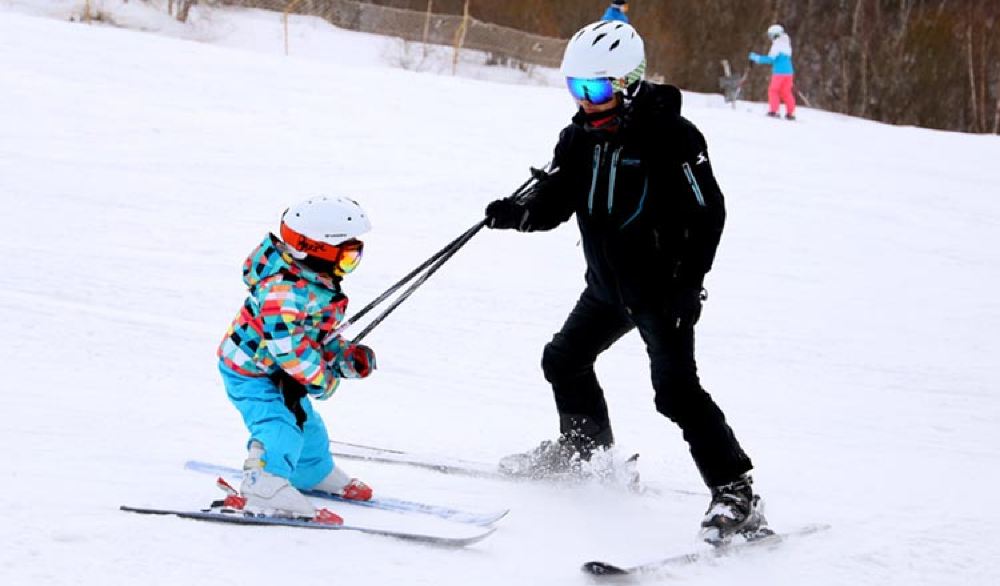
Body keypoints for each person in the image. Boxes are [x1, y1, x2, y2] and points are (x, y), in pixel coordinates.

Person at [483, 21, 766, 542]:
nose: (584, 101)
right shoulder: (579, 139)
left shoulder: (672, 138)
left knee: (676, 393)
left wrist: (689, 282)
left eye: (594, 89)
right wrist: (519, 213)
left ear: (629, 82)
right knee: (563, 359)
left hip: (662, 292)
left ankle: (736, 492)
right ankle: (586, 454)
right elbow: (559, 201)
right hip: (607, 287)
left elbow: (709, 214)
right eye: (575, 88)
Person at [216, 196, 378, 522]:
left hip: (279, 369)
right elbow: (288, 347)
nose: (349, 266)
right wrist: (324, 381)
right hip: (252, 373)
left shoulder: (311, 283)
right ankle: (263, 485)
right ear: (313, 249)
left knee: (309, 427)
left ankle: (311, 472)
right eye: (346, 258)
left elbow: (314, 337)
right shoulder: (283, 292)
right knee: (280, 429)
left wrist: (345, 358)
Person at [749, 24, 796, 120]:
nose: (770, 38)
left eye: (771, 36)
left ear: (776, 35)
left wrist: (756, 57)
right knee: (786, 92)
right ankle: (790, 113)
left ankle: (773, 111)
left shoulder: (777, 44)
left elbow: (771, 59)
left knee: (773, 91)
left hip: (779, 73)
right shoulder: (786, 42)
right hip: (789, 72)